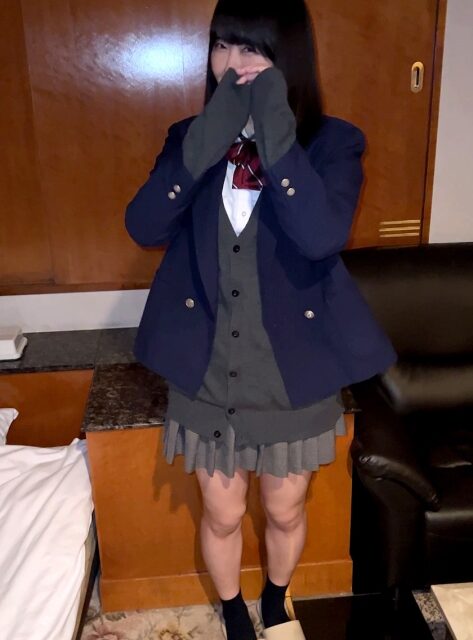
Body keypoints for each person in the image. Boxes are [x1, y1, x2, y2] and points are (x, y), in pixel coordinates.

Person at [125, 1, 397, 638]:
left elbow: (321, 235)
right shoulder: (186, 138)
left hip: (291, 370)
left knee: (285, 507)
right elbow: (144, 225)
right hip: (208, 366)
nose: (232, 63)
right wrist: (207, 138)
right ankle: (231, 612)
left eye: (252, 48)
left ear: (288, 58)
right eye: (222, 44)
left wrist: (275, 132)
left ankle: (276, 600)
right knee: (221, 514)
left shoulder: (333, 143)